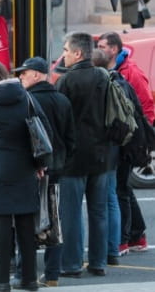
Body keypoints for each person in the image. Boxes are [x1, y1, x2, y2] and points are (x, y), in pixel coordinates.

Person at [0, 61, 47, 292]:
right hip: (25, 166)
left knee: (2, 224)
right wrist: (39, 164)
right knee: (26, 225)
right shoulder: (25, 97)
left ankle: (2, 281)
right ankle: (29, 279)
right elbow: (40, 127)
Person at [12, 56, 76, 287]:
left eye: (24, 73)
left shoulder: (25, 101)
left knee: (26, 220)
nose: (20, 77)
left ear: (37, 75)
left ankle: (23, 272)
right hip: (57, 169)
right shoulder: (62, 100)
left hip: (31, 169)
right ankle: (52, 275)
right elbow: (71, 139)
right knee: (54, 221)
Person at [56, 32, 112, 278]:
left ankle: (72, 263)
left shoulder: (66, 82)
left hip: (74, 156)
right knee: (99, 211)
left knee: (71, 212)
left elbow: (59, 121)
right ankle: (98, 262)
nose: (64, 55)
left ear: (78, 53)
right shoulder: (103, 76)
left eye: (67, 50)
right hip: (102, 154)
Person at [97, 32, 153, 254]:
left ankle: (125, 238)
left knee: (120, 188)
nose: (99, 48)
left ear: (113, 49)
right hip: (122, 137)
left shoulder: (130, 73)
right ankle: (137, 236)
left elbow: (146, 106)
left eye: (102, 46)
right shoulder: (116, 71)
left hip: (129, 139)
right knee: (124, 187)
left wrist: (138, 137)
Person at [91, 49, 121, 266]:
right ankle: (112, 251)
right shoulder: (118, 83)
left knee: (103, 203)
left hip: (102, 151)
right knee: (109, 200)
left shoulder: (99, 87)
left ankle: (108, 252)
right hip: (112, 149)